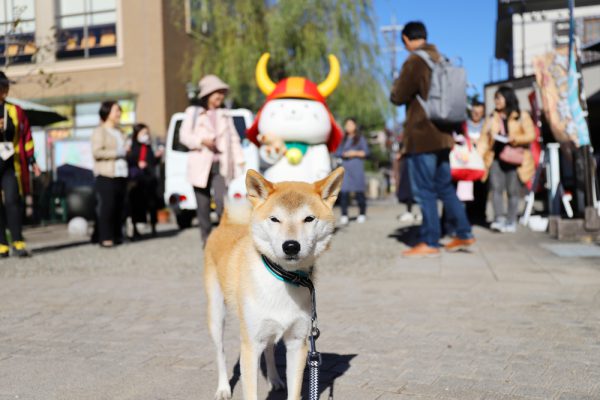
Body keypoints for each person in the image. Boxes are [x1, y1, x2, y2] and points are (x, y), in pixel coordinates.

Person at [390, 21, 474, 258]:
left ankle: (430, 240)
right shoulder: (440, 58)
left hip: (422, 136)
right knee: (445, 188)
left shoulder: (415, 61)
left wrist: (396, 84)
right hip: (444, 134)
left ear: (406, 39)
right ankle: (464, 232)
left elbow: (398, 96)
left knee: (425, 191)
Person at [179, 75, 245, 245]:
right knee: (202, 206)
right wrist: (202, 141)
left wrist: (240, 161)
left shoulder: (225, 115)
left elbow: (234, 139)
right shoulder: (192, 113)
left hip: (220, 164)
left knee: (223, 203)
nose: (220, 97)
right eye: (218, 94)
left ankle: (225, 238)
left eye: (222, 94)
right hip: (200, 165)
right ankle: (207, 240)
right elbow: (184, 136)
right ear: (208, 94)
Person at [478, 86, 535, 233]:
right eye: (495, 98)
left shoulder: (521, 115)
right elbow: (484, 139)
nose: (496, 101)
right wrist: (478, 157)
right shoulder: (492, 117)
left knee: (512, 191)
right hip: (495, 158)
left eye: (499, 97)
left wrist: (514, 138)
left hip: (515, 159)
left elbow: (531, 135)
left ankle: (511, 221)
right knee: (496, 189)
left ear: (507, 98)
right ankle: (498, 219)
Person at [0, 72, 40, 257]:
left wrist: (33, 160)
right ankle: (2, 244)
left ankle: (18, 241)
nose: (3, 91)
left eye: (5, 88)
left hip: (11, 163)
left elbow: (26, 138)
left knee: (12, 201)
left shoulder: (16, 111)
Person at [91, 101, 128, 248]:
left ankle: (117, 235)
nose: (119, 113)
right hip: (106, 173)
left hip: (121, 173)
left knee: (120, 206)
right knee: (107, 206)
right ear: (107, 113)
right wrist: (117, 153)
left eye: (119, 111)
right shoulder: (100, 131)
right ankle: (105, 237)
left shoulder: (120, 132)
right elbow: (97, 152)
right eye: (116, 111)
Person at [127, 123, 160, 239]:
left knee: (152, 204)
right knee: (136, 205)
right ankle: (135, 229)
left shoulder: (149, 146)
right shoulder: (133, 147)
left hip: (150, 179)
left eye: (147, 133)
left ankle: (153, 228)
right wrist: (137, 163)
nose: (146, 135)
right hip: (137, 181)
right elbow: (130, 160)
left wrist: (157, 157)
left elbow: (152, 163)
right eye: (143, 133)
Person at [334, 117, 369, 224]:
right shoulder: (343, 139)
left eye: (350, 124)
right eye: (347, 124)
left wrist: (354, 153)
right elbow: (337, 152)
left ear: (355, 126)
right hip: (346, 169)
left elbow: (366, 152)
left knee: (359, 193)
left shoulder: (360, 138)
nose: (348, 126)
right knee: (344, 192)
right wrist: (344, 154)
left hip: (357, 168)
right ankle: (344, 215)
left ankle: (362, 213)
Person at [464, 100, 488, 225]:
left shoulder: (486, 124)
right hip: (467, 162)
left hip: (482, 161)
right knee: (468, 189)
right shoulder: (465, 124)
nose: (476, 115)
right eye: (474, 112)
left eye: (479, 113)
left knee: (482, 189)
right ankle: (469, 215)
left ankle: (481, 215)